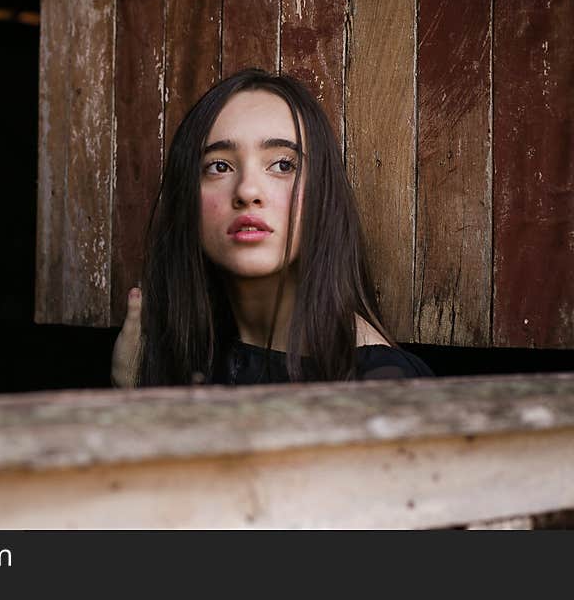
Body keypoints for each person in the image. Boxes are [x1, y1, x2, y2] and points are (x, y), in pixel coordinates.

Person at [111, 68, 433, 387]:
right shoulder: (187, 353)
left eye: (283, 165)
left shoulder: (384, 381)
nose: (247, 191)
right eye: (219, 166)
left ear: (323, 193)